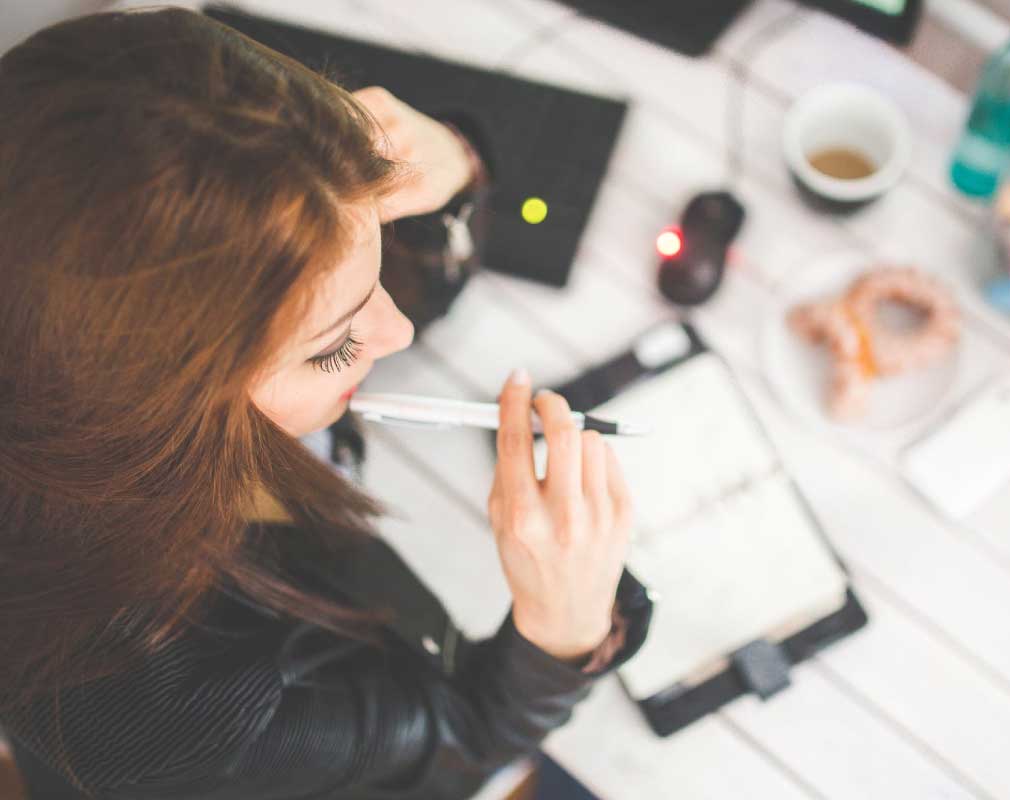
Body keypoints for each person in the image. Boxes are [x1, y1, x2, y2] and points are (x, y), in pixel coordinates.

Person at [0, 8, 652, 799]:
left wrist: (454, 163)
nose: (397, 331)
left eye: (375, 242)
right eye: (334, 348)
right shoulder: (170, 699)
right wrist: (562, 632)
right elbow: (463, 752)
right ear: (162, 405)